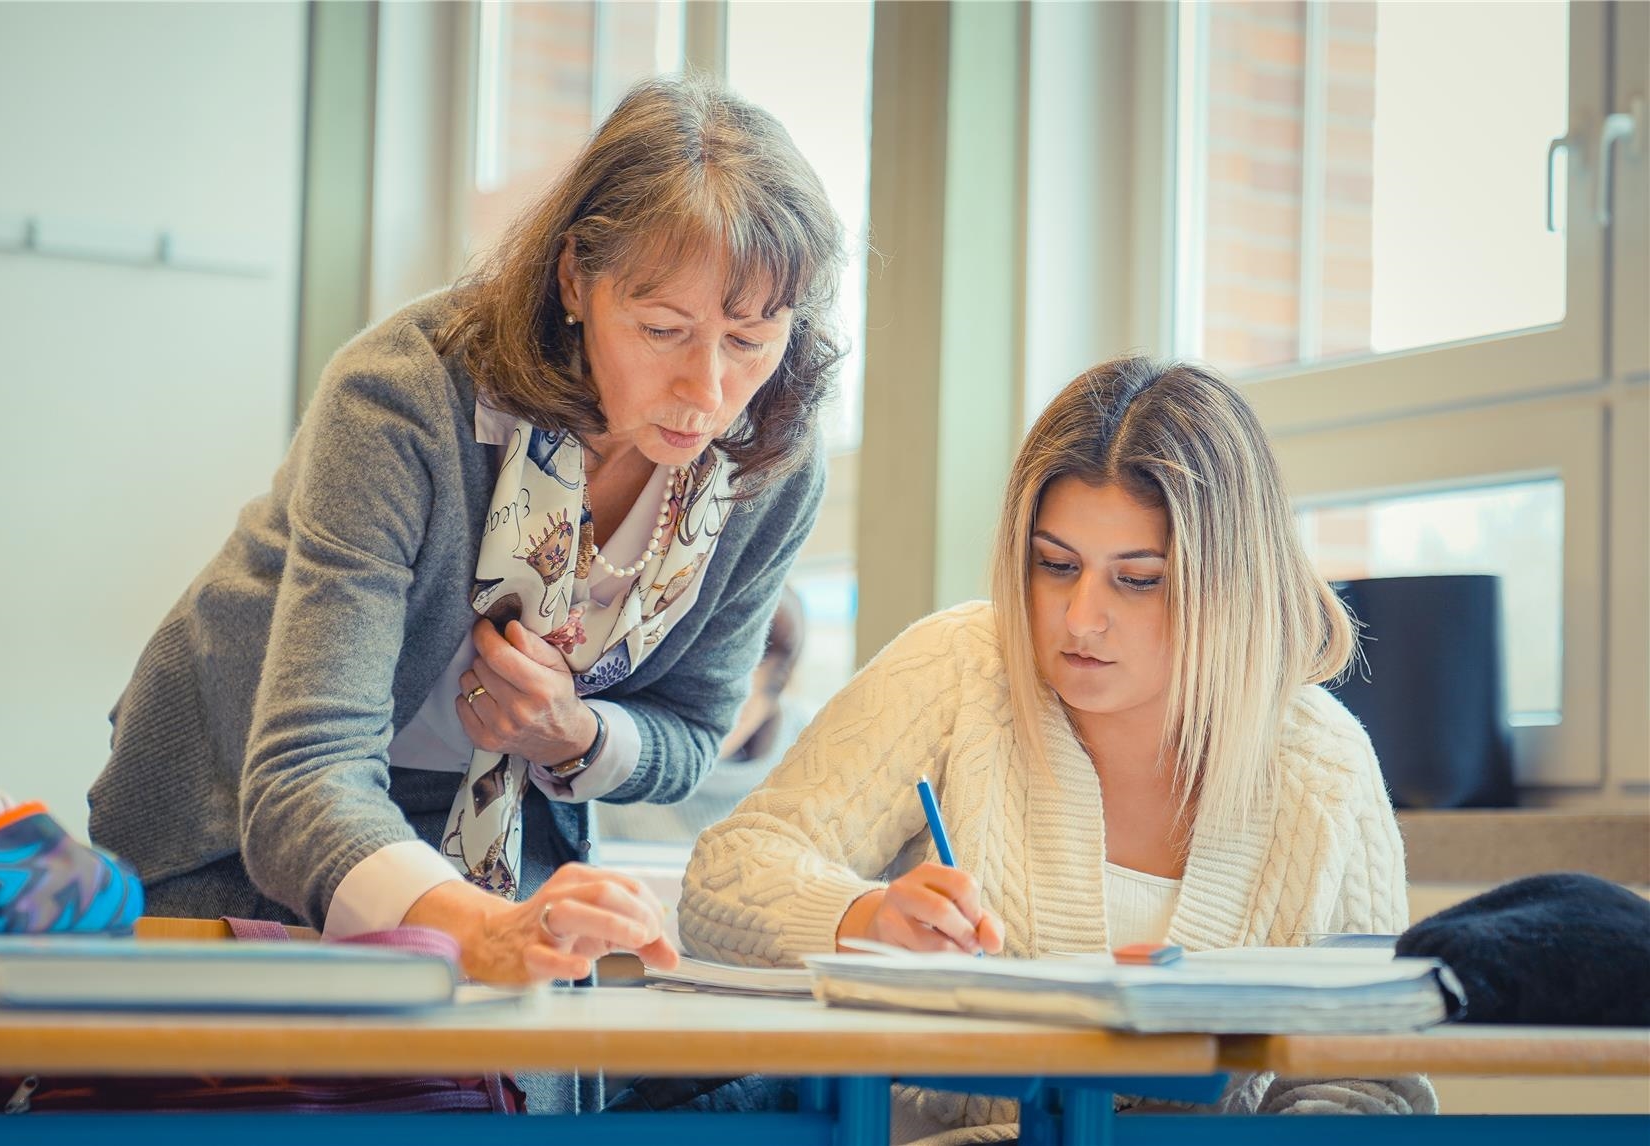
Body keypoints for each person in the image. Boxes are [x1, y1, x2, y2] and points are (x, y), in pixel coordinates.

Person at [89, 75, 845, 1012]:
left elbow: (690, 731)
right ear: (575, 278)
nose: (707, 387)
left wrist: (575, 733)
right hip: (239, 819)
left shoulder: (769, 464)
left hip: (504, 830)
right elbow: (303, 778)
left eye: (749, 337)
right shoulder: (405, 394)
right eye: (663, 330)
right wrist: (484, 932)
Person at [678, 357, 1434, 1141]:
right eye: (1055, 565)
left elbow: (1366, 1074)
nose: (1080, 619)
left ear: (1231, 582)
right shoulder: (958, 668)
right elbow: (724, 880)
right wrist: (865, 917)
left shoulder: (1325, 767)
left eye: (1137, 580)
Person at [595, 584, 808, 844]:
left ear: (772, 701)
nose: (715, 721)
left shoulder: (805, 773)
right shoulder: (609, 756)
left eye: (738, 712)